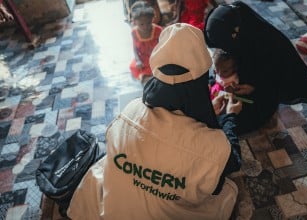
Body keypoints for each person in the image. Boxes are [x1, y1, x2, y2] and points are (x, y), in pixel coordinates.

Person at [67, 23, 243, 219]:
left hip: (114, 211)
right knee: (227, 191)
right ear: (200, 82)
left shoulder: (130, 109)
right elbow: (233, 162)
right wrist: (229, 116)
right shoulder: (210, 146)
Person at [204, 1, 307, 134]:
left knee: (229, 123)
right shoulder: (232, 39)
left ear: (236, 32)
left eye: (225, 44)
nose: (224, 49)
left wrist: (254, 87)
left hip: (261, 95)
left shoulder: (268, 44)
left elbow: (277, 80)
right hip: (235, 88)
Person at [129, 1, 163, 84]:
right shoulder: (134, 33)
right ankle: (147, 78)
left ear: (152, 19)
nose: (145, 27)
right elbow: (135, 49)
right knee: (134, 66)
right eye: (141, 24)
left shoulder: (158, 30)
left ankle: (153, 77)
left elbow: (163, 47)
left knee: (161, 68)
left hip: (156, 56)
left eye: (148, 23)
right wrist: (138, 60)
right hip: (143, 59)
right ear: (134, 22)